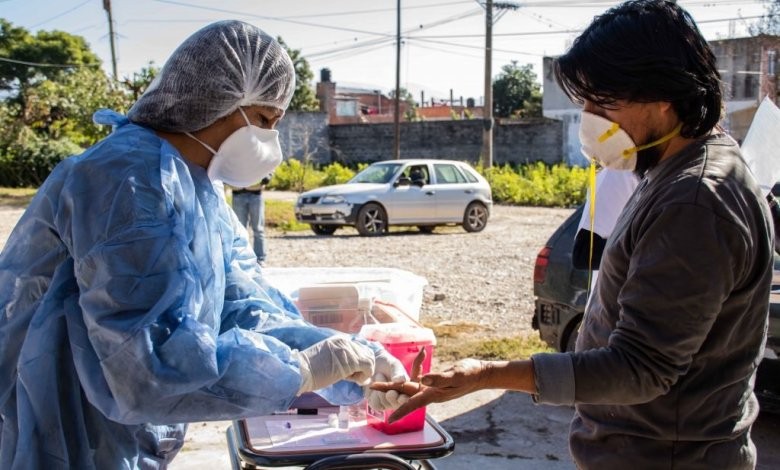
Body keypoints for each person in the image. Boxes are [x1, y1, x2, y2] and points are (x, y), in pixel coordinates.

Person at [373, 2, 774, 468]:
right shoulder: (675, 170)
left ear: (663, 94)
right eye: (585, 102)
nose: (590, 118)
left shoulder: (696, 200)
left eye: (603, 103)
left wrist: (485, 373)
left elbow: (639, 367)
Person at [0, 20, 409, 469]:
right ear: (226, 102)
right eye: (267, 120)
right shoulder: (125, 181)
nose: (271, 139)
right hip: (57, 424)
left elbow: (245, 307)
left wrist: (353, 363)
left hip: (119, 435)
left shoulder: (201, 190)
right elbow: (146, 369)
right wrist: (300, 371)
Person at [230, 175, 271, 265]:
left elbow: (269, 163)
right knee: (239, 230)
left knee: (258, 229)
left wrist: (268, 175)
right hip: (237, 194)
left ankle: (260, 259)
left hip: (256, 194)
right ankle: (242, 259)